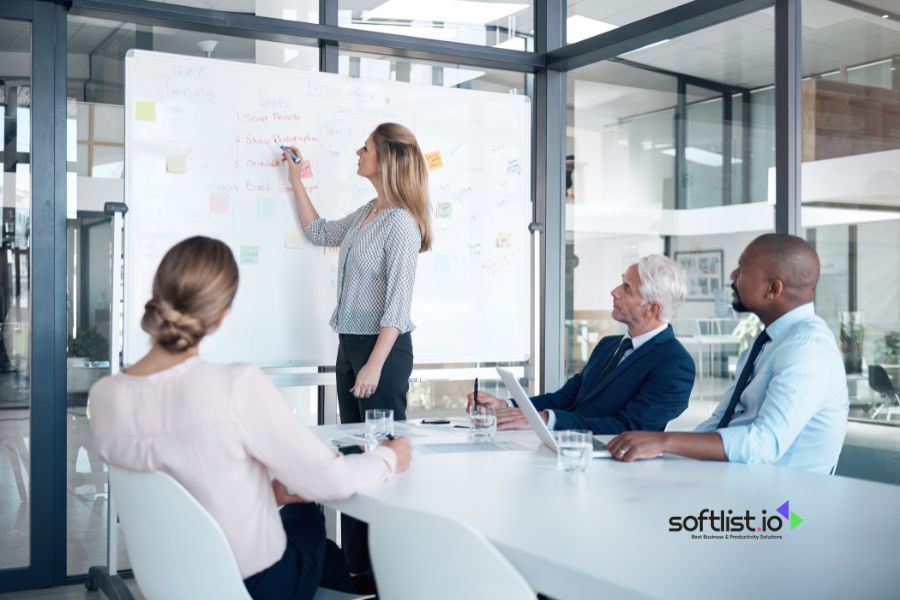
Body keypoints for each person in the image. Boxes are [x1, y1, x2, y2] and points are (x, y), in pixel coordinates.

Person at [88, 236, 411, 600]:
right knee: (309, 520)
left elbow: (176, 477)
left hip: (170, 582)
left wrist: (264, 492)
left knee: (321, 547)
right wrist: (388, 457)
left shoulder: (104, 397)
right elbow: (330, 480)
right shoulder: (234, 386)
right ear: (221, 316)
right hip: (249, 585)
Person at [282, 122, 431, 575]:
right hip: (351, 346)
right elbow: (320, 232)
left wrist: (373, 366)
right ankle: (355, 568)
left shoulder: (402, 223)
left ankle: (384, 573)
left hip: (381, 353)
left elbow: (397, 306)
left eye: (365, 147)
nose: (358, 151)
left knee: (381, 464)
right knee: (354, 460)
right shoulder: (369, 211)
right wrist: (295, 179)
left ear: (385, 158)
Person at [606, 234, 849, 475]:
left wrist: (664, 442)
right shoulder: (771, 343)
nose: (732, 276)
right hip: (741, 483)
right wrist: (656, 449)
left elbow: (765, 444)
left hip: (784, 506)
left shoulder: (807, 349)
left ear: (773, 288)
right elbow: (720, 423)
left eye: (742, 270)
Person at [469, 255, 695, 434]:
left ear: (652, 308)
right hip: (566, 449)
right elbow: (564, 399)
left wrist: (548, 419)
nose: (614, 291)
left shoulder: (675, 364)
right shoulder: (609, 346)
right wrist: (506, 405)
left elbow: (630, 427)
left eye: (626, 288)